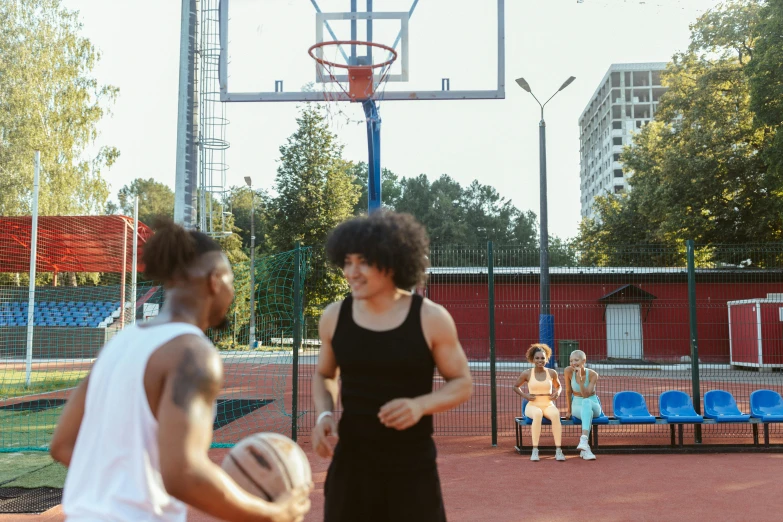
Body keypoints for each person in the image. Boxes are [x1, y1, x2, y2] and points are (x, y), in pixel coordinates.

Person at [50, 218, 311, 522]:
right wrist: (271, 514)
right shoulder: (193, 353)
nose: (232, 293)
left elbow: (63, 445)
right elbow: (184, 473)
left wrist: (128, 482)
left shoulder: (121, 342)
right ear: (215, 280)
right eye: (230, 281)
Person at [311, 211, 473, 522]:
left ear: (392, 262)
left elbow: (462, 382)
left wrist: (420, 405)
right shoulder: (334, 316)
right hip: (351, 467)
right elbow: (324, 374)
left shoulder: (430, 318)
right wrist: (324, 413)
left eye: (363, 262)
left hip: (412, 469)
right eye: (347, 261)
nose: (351, 272)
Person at [512, 344, 565, 462]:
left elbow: (559, 386)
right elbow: (515, 387)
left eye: (542, 358)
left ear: (546, 359)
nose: (540, 360)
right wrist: (525, 395)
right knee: (537, 414)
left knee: (556, 414)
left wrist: (557, 393)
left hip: (548, 405)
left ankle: (558, 450)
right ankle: (535, 450)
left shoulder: (551, 373)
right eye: (537, 358)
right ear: (532, 359)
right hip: (532, 406)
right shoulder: (527, 373)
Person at [564, 349, 601, 461]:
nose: (573, 363)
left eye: (576, 360)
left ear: (583, 360)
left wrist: (580, 380)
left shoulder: (593, 374)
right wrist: (569, 410)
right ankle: (585, 447)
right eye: (571, 361)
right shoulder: (568, 371)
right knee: (586, 411)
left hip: (593, 404)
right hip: (577, 405)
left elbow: (586, 395)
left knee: (587, 402)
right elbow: (568, 391)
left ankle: (584, 439)